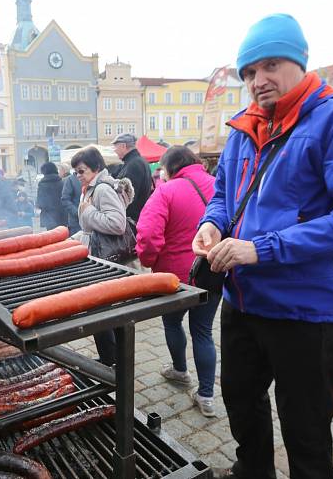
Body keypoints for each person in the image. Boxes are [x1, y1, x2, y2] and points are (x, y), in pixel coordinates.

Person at [192, 14, 333, 478]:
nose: (257, 81)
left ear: (299, 62)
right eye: (248, 73)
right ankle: (253, 471)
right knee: (241, 400)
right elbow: (224, 195)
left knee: (305, 429)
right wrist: (211, 225)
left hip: (307, 311)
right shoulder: (244, 128)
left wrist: (262, 248)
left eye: (269, 66)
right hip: (243, 300)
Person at [136, 146, 222, 417]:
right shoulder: (218, 184)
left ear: (169, 167)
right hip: (212, 270)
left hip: (175, 276)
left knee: (172, 322)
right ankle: (206, 395)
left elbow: (149, 235)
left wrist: (148, 261)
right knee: (203, 331)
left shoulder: (166, 190)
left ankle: (180, 370)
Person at [72, 146, 134, 366]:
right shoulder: (91, 188)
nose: (78, 176)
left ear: (96, 168)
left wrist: (88, 212)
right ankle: (111, 357)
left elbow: (117, 224)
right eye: (76, 172)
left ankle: (112, 360)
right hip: (97, 256)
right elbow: (90, 228)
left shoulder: (102, 189)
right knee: (101, 308)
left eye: (82, 170)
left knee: (100, 309)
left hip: (105, 259)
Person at [112, 133, 152, 221]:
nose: (114, 150)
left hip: (132, 220)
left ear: (123, 146)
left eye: (115, 147)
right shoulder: (138, 161)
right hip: (138, 217)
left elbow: (128, 198)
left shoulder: (133, 165)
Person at [36, 162, 67, 230]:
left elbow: (40, 203)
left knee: (52, 237)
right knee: (63, 236)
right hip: (62, 215)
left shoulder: (42, 185)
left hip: (49, 217)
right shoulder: (62, 182)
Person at [61, 166, 82, 235]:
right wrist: (77, 213)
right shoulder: (70, 180)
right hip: (76, 222)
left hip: (91, 221)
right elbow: (65, 199)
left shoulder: (91, 179)